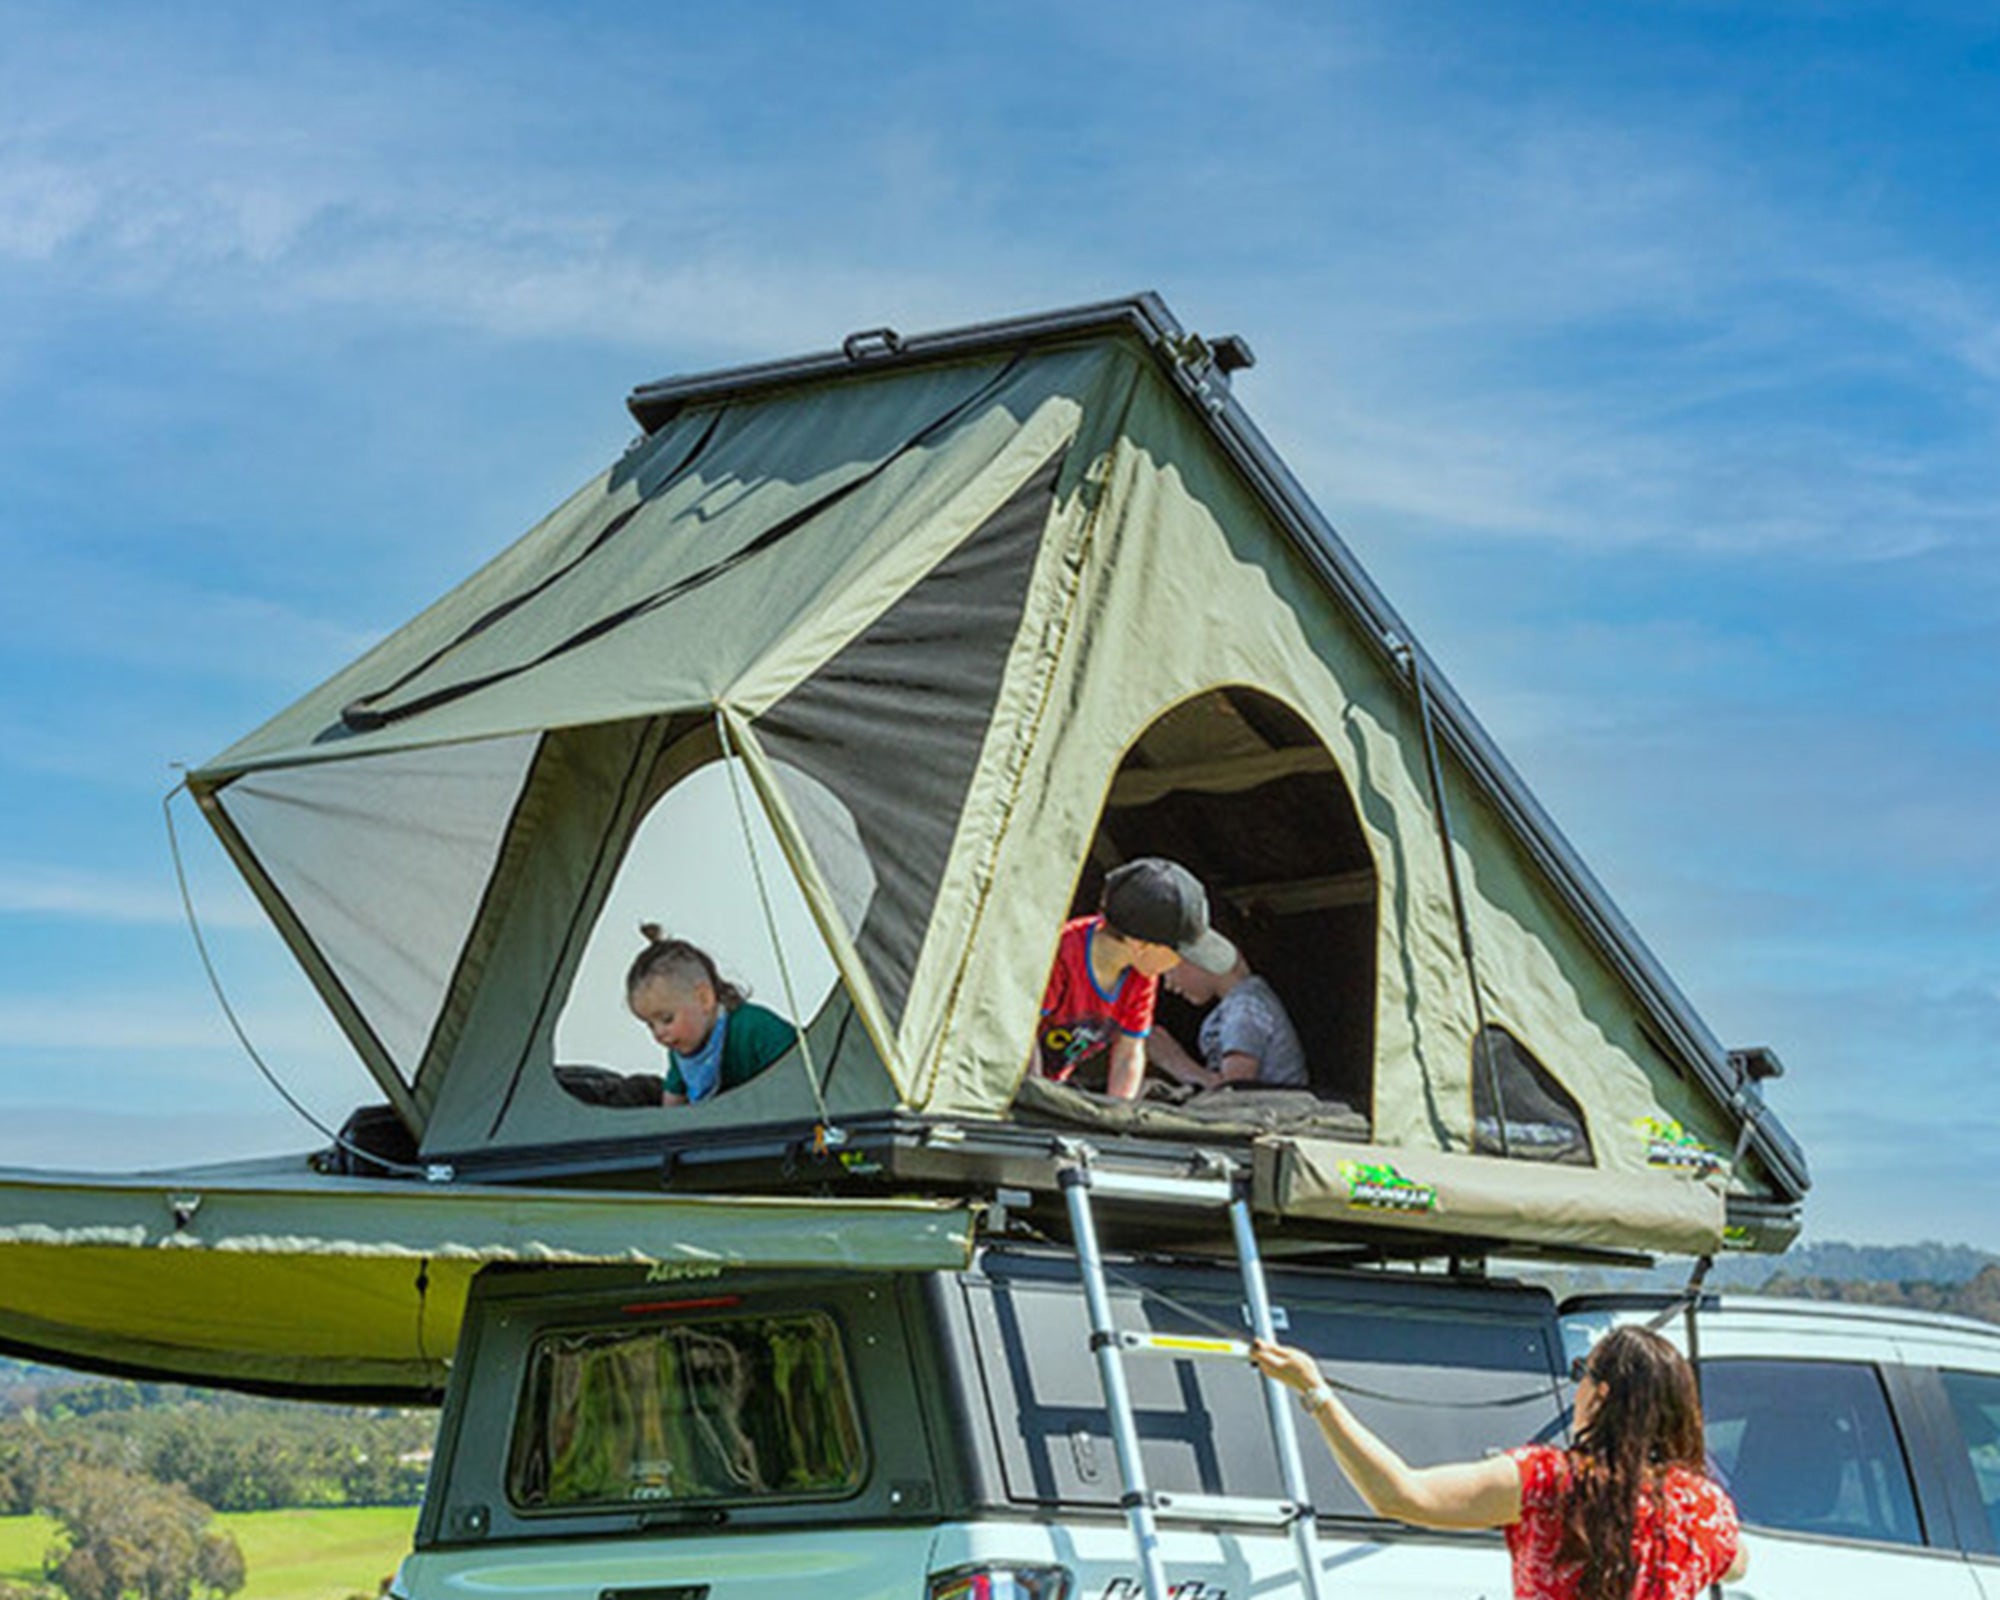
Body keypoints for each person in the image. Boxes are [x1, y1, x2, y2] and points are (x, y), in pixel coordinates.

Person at [1251, 1325, 1746, 1600]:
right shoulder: (1706, 1510)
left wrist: (1316, 1393)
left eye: (1583, 1373)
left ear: (1602, 1393)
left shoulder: (1549, 1480)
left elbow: (1399, 1494)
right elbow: (1736, 1565)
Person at [1036, 857, 1238, 1101]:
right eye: (1178, 954)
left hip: (1055, 1081)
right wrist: (1037, 1097)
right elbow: (1024, 1038)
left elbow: (1129, 1052)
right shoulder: (1059, 955)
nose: (1179, 964)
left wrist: (1120, 1113)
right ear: (1138, 944)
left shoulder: (1140, 974)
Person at [626, 924, 796, 1106]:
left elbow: (800, 1076)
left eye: (667, 1019)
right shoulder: (681, 1052)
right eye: (650, 1025)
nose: (658, 1034)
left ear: (704, 998)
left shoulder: (757, 1028)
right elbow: (672, 1106)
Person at [1145, 948, 1308, 1091]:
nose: (1168, 984)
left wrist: (1173, 1060)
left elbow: (1234, 1092)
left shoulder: (1246, 1005)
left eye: (1169, 969)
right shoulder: (1236, 1005)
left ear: (1199, 958)